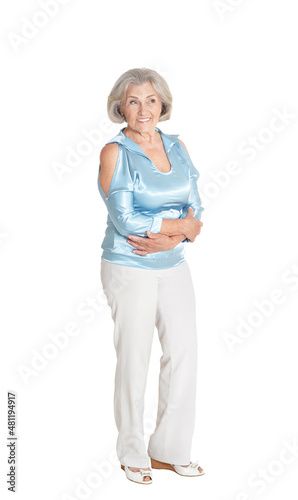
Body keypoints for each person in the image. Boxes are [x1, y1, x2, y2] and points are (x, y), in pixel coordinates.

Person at [98, 67, 205, 485]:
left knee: (183, 354)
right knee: (135, 356)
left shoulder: (177, 146)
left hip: (173, 263)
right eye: (133, 101)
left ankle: (169, 449)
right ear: (120, 107)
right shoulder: (115, 152)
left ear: (163, 105)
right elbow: (124, 218)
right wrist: (178, 230)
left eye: (151, 100)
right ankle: (132, 451)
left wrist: (178, 235)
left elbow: (195, 206)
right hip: (128, 265)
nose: (143, 110)